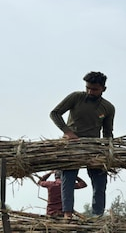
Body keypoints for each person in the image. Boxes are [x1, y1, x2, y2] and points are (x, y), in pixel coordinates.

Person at [50, 71, 116, 218]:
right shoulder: (76, 97)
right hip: (72, 145)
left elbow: (107, 132)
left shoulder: (108, 108)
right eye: (88, 88)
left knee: (100, 182)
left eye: (94, 89)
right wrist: (68, 132)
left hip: (94, 147)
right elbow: (55, 113)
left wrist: (108, 150)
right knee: (68, 179)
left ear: (103, 89)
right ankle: (68, 214)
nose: (89, 92)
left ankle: (97, 215)